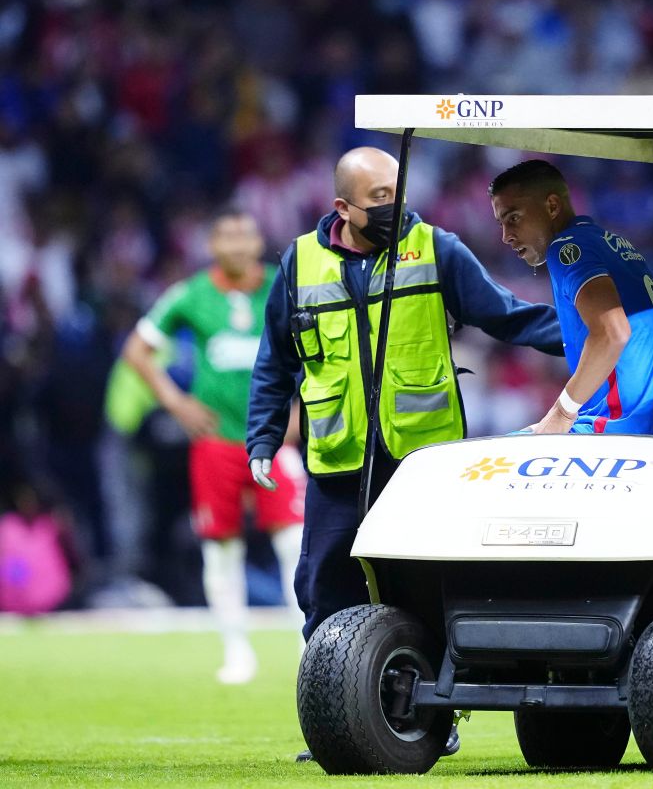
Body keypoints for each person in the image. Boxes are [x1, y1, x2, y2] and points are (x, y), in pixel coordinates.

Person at [245, 146, 562, 644]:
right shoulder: (298, 263)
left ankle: (432, 714)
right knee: (325, 590)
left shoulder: (436, 248)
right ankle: (335, 705)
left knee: (425, 586)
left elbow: (507, 315)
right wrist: (262, 438)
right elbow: (275, 361)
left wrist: (597, 333)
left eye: (398, 191)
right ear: (344, 207)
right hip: (337, 462)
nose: (395, 204)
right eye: (379, 196)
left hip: (421, 461)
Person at [122, 208, 306, 684]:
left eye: (245, 234)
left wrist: (301, 412)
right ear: (213, 245)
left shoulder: (284, 285)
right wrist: (176, 404)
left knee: (294, 543)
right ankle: (236, 651)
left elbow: (320, 348)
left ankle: (310, 649)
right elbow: (137, 350)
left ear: (258, 239)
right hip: (217, 443)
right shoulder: (192, 294)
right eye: (227, 235)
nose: (238, 244)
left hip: (273, 439)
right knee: (221, 548)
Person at [488, 159, 653, 437]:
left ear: (552, 206)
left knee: (491, 461)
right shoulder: (613, 243)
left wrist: (561, 413)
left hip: (620, 429)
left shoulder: (566, 248)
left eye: (513, 218)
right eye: (501, 223)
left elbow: (613, 332)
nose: (505, 236)